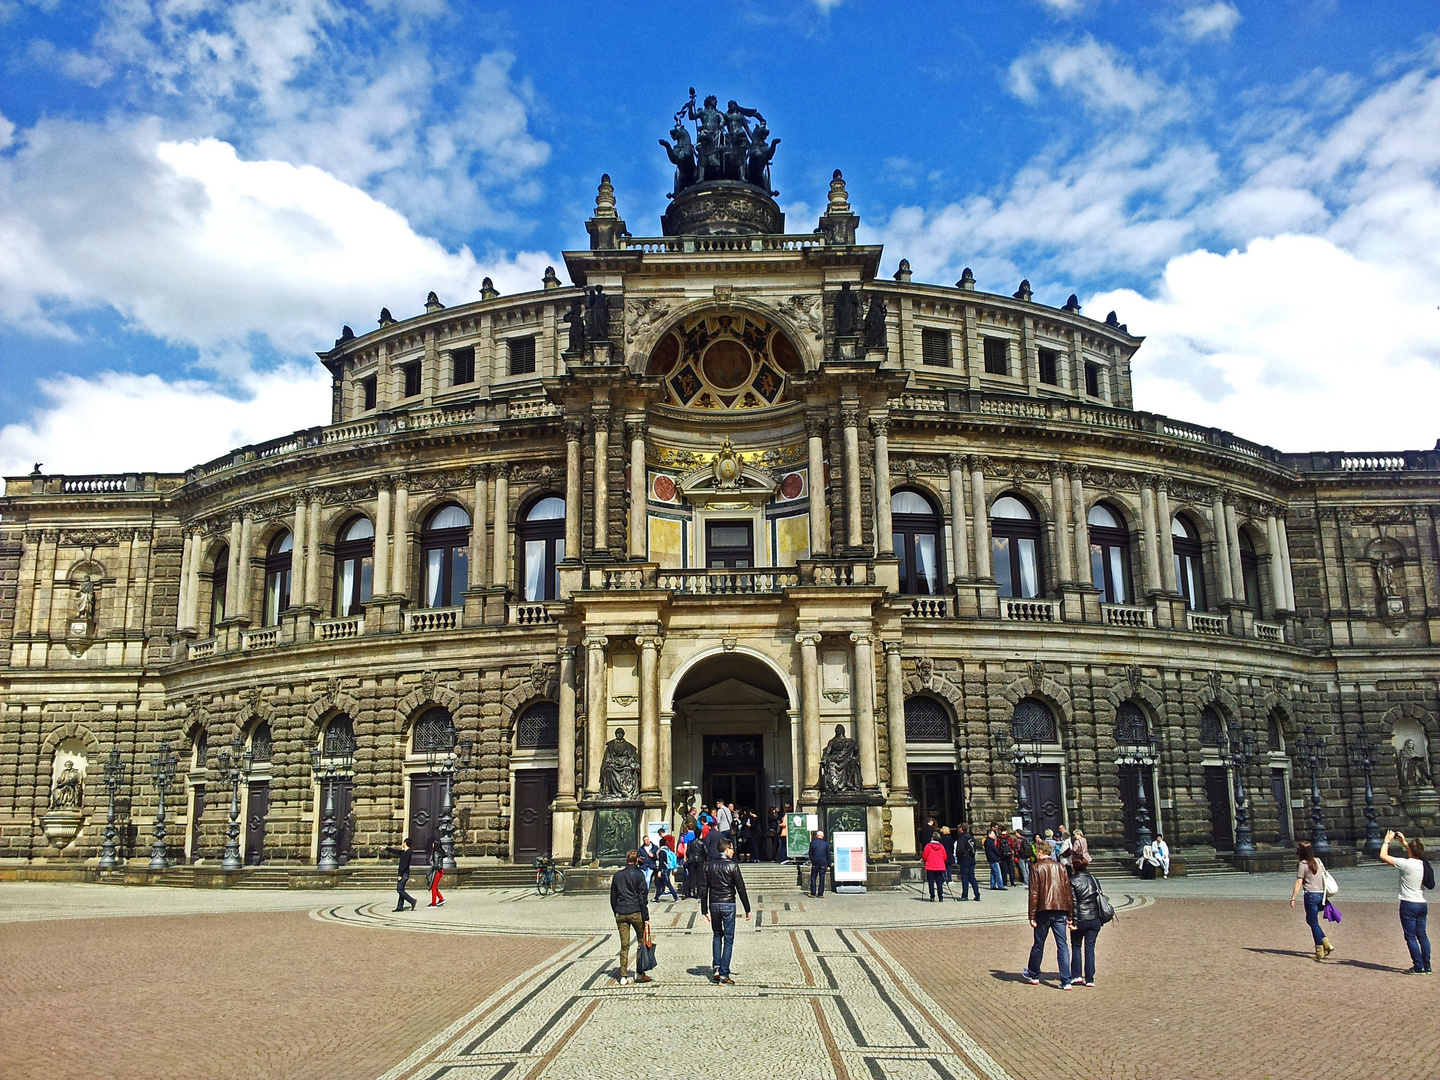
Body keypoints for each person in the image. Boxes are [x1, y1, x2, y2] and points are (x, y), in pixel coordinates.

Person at [1022, 840, 1074, 989]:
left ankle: (1034, 974)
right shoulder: (1061, 867)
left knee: (1039, 944)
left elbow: (1034, 893)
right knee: (1062, 945)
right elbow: (1067, 892)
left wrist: (1031, 916)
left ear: (1040, 852)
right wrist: (1070, 914)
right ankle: (1066, 980)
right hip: (1060, 909)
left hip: (1043, 910)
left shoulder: (1036, 868)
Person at [1379, 830, 1431, 975]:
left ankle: (1418, 966)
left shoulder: (1406, 864)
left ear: (1410, 851)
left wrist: (1387, 841)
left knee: (1410, 936)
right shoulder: (1423, 864)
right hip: (1422, 902)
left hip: (1408, 903)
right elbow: (1416, 852)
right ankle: (1427, 965)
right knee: (1422, 935)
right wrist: (1405, 842)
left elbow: (1383, 856)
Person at [700, 838, 751, 984]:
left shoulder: (709, 865)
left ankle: (716, 967)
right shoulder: (732, 866)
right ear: (726, 849)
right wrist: (747, 909)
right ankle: (724, 972)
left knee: (717, 935)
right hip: (728, 904)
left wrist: (704, 910)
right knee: (728, 939)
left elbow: (704, 889)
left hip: (714, 904)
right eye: (732, 848)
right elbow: (740, 888)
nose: (734, 851)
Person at [609, 849, 651, 985]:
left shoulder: (617, 875)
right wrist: (646, 917)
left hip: (621, 912)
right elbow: (642, 898)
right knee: (641, 942)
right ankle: (640, 973)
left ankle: (623, 976)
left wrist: (616, 910)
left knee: (624, 945)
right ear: (637, 860)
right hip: (635, 911)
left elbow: (613, 897)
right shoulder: (639, 875)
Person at [1288, 840, 1334, 962]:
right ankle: (1326, 942)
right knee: (1310, 920)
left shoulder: (1303, 864)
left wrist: (1293, 897)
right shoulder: (1318, 861)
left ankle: (1320, 950)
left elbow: (1299, 882)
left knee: (1313, 922)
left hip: (1310, 896)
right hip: (1321, 895)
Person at [1068, 853, 1104, 987]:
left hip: (1081, 919)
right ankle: (1090, 978)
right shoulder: (1094, 879)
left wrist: (1073, 921)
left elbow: (1074, 904)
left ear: (1074, 866)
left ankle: (1076, 975)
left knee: (1076, 946)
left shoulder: (1072, 881)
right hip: (1095, 918)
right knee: (1090, 949)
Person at [383, 837, 418, 912]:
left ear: (405, 843)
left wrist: (400, 875)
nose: (402, 843)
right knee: (401, 889)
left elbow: (404, 864)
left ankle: (412, 901)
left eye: (403, 842)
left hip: (404, 873)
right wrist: (386, 848)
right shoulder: (403, 852)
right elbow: (395, 851)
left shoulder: (408, 852)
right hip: (403, 873)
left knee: (399, 890)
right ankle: (400, 906)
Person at [956, 823, 981, 902]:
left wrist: (958, 858)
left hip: (964, 859)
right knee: (972, 877)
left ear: (961, 829)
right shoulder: (971, 837)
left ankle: (965, 895)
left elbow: (959, 850)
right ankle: (977, 894)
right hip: (971, 858)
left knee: (965, 878)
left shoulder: (961, 838)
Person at [922, 832, 949, 902]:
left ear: (932, 838)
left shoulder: (928, 846)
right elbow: (945, 857)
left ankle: (932, 896)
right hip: (939, 866)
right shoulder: (941, 846)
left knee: (931, 882)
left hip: (930, 866)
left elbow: (924, 856)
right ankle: (940, 896)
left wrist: (926, 862)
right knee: (939, 882)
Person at [685, 824, 709, 899]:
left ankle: (687, 892)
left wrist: (690, 857)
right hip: (699, 861)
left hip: (692, 861)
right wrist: (704, 858)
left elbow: (687, 852)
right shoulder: (702, 842)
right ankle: (699, 894)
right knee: (699, 878)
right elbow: (706, 852)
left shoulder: (691, 842)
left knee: (691, 877)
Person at [808, 829, 833, 898]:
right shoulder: (826, 844)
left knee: (813, 877)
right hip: (823, 862)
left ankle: (813, 893)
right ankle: (820, 893)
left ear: (816, 836)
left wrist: (812, 861)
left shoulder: (812, 843)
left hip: (815, 863)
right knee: (822, 878)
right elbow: (828, 855)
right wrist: (828, 865)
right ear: (823, 836)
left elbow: (810, 854)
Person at [654, 836, 680, 902]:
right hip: (667, 869)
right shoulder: (667, 850)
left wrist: (660, 871)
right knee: (660, 884)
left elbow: (661, 863)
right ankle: (656, 897)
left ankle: (675, 897)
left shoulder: (661, 852)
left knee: (668, 884)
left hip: (663, 870)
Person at [426, 837, 446, 908]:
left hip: (437, 871)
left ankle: (434, 903)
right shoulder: (439, 851)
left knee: (433, 887)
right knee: (434, 886)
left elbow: (436, 864)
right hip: (440, 870)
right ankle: (441, 899)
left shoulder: (436, 852)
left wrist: (431, 865)